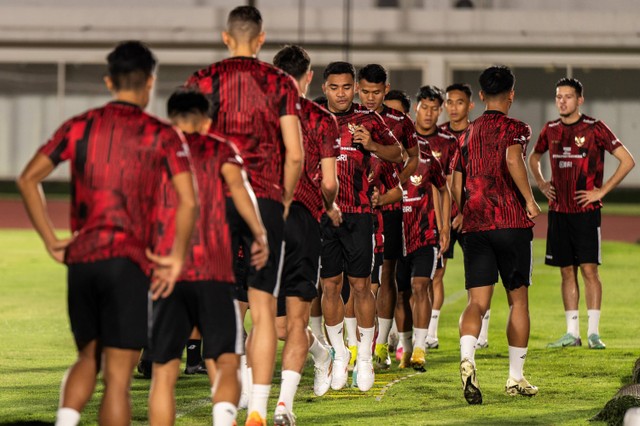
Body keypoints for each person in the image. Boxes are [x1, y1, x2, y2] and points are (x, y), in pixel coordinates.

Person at [17, 41, 198, 426]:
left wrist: (52, 240)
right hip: (129, 262)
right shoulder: (162, 135)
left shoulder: (79, 126)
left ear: (108, 81)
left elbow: (28, 178)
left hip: (83, 259)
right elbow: (188, 201)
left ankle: (65, 421)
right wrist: (177, 257)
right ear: (150, 82)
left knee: (88, 356)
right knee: (117, 378)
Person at [186, 6, 304, 425]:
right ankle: (257, 408)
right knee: (263, 304)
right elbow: (295, 152)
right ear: (261, 39)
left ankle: (223, 411)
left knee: (219, 304)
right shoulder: (280, 82)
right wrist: (284, 199)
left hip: (216, 200)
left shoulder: (202, 80)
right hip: (266, 200)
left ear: (225, 37)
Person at [147, 89, 268, 426]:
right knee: (226, 361)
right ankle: (222, 419)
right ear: (206, 119)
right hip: (215, 273)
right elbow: (242, 191)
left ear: (171, 117)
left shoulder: (156, 151)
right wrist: (259, 233)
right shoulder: (221, 150)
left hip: (168, 273)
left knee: (163, 372)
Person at [451, 65, 541, 404]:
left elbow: (457, 179)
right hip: (510, 222)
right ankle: (515, 378)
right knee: (518, 300)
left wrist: (459, 212)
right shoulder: (517, 128)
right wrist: (530, 201)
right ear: (512, 94)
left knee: (477, 302)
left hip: (474, 224)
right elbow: (513, 158)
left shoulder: (466, 132)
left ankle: (467, 357)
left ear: (483, 95)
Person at [529, 77, 635, 350]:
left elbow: (627, 160)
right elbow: (533, 157)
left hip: (586, 212)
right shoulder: (550, 129)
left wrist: (602, 191)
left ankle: (594, 334)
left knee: (589, 270)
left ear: (580, 100)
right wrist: (541, 183)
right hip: (559, 212)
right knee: (566, 271)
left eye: (568, 96)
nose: (562, 101)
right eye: (558, 96)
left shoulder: (594, 128)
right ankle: (571, 333)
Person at [319, 61, 402, 392]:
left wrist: (372, 146)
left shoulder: (370, 120)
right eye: (334, 87)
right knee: (328, 287)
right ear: (325, 88)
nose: (341, 93)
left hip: (357, 215)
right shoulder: (312, 119)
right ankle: (340, 355)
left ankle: (364, 358)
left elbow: (398, 154)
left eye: (346, 87)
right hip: (324, 216)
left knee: (361, 286)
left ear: (354, 88)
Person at [271, 45, 341, 423]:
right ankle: (321, 353)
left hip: (265, 221)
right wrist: (329, 204)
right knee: (284, 326)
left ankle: (282, 407)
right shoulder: (321, 119)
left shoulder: (261, 117)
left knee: (270, 322)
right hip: (303, 222)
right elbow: (330, 182)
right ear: (309, 77)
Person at [357, 64, 419, 370]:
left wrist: (396, 188)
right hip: (354, 206)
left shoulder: (399, 120)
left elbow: (410, 156)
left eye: (377, 92)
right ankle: (353, 348)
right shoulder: (350, 115)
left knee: (386, 276)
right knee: (353, 278)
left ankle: (379, 345)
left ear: (386, 88)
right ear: (358, 88)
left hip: (390, 210)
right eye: (365, 91)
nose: (370, 97)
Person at [392, 113, 451, 371]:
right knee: (400, 292)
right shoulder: (384, 157)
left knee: (420, 286)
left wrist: (444, 226)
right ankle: (404, 345)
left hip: (425, 235)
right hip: (395, 234)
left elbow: (442, 188)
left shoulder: (426, 155)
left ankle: (419, 347)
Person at [437, 83, 491, 349]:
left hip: (473, 216)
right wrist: (450, 214)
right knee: (437, 271)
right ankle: (431, 334)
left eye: (460, 102)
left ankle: (482, 333)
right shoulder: (438, 136)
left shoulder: (477, 134)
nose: (454, 107)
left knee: (478, 274)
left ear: (470, 105)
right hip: (445, 216)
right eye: (450, 102)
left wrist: (465, 211)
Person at [411, 86, 459, 352]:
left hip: (434, 220)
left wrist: (446, 223)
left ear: (440, 110)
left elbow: (448, 186)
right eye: (424, 107)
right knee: (406, 281)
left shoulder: (447, 142)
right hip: (407, 218)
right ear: (416, 107)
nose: (429, 113)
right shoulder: (404, 137)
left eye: (434, 108)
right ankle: (402, 332)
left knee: (435, 277)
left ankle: (430, 332)